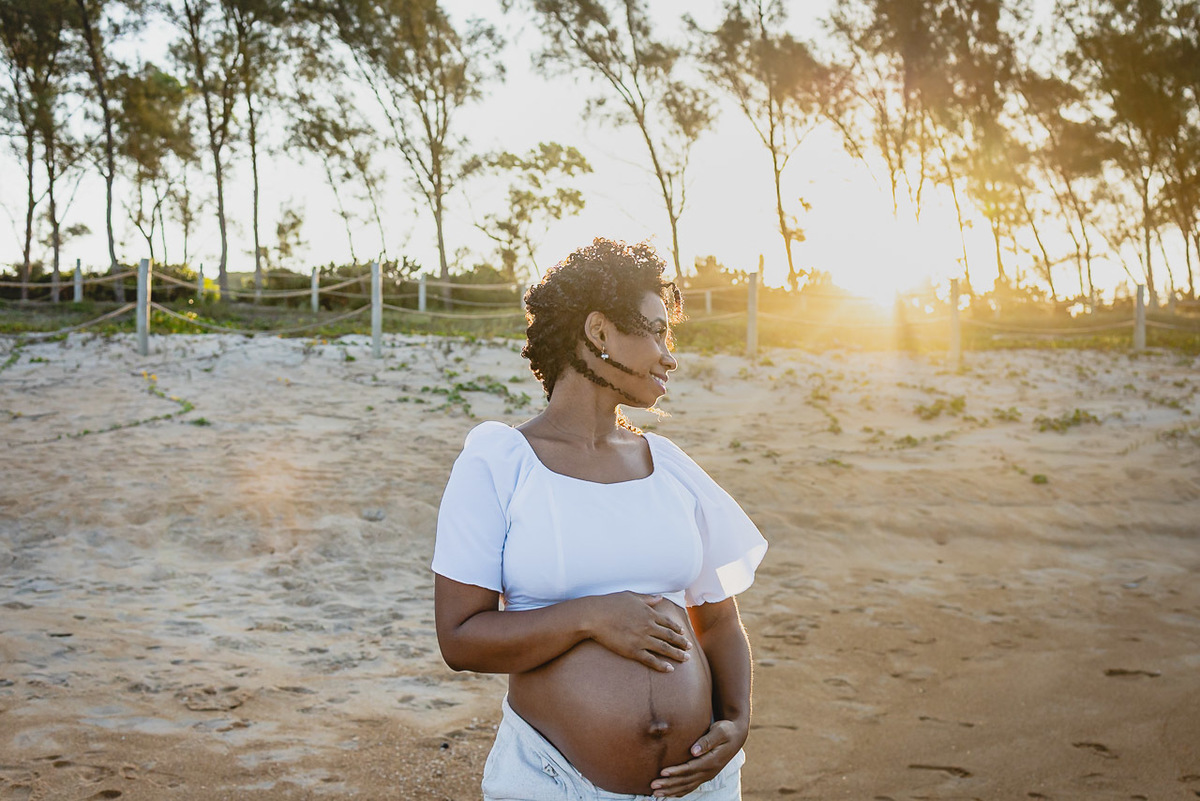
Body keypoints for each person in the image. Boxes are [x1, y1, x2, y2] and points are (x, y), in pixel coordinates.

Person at [432, 238, 768, 800]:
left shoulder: (670, 468)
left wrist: (735, 721)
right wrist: (589, 617)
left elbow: (719, 622)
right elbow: (461, 640)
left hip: (699, 787)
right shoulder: (499, 463)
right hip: (553, 782)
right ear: (599, 331)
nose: (670, 355)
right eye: (656, 332)